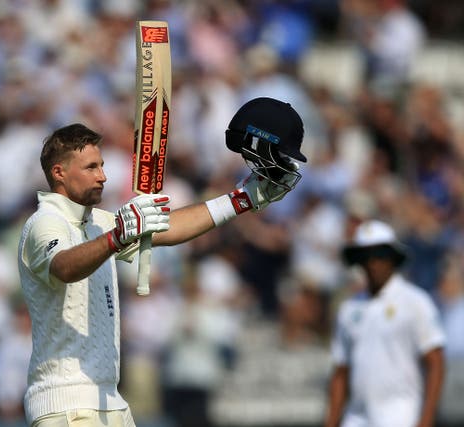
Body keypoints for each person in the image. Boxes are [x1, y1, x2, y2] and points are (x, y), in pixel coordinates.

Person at [17, 97, 307, 427]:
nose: (103, 177)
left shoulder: (97, 222)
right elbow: (64, 267)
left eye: (102, 166)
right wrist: (118, 236)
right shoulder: (45, 222)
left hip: (106, 399)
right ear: (59, 172)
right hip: (66, 400)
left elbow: (170, 228)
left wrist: (241, 199)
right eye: (91, 168)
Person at [325, 220, 446, 427]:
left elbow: (435, 362)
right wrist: (332, 421)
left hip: (400, 415)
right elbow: (341, 372)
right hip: (357, 417)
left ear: (392, 258)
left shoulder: (415, 301)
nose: (373, 262)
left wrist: (426, 419)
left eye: (380, 254)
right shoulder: (349, 309)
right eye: (366, 255)